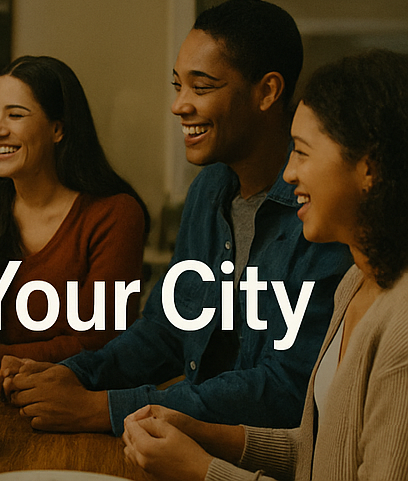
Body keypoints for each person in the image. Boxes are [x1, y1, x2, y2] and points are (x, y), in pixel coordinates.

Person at [0, 0, 350, 435]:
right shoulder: (208, 190)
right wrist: (76, 374)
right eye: (177, 86)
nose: (179, 105)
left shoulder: (320, 211)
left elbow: (286, 387)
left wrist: (104, 409)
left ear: (268, 91)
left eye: (201, 88)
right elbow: (167, 329)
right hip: (183, 446)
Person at [123, 48, 408, 481]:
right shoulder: (356, 281)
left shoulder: (402, 329)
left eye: (302, 152)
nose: (289, 172)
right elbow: (318, 453)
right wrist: (205, 433)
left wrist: (203, 470)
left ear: (368, 168)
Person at [0, 56, 148, 378]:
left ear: (58, 129)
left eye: (15, 115)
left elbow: (99, 343)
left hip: (82, 400)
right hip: (1, 394)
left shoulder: (114, 214)